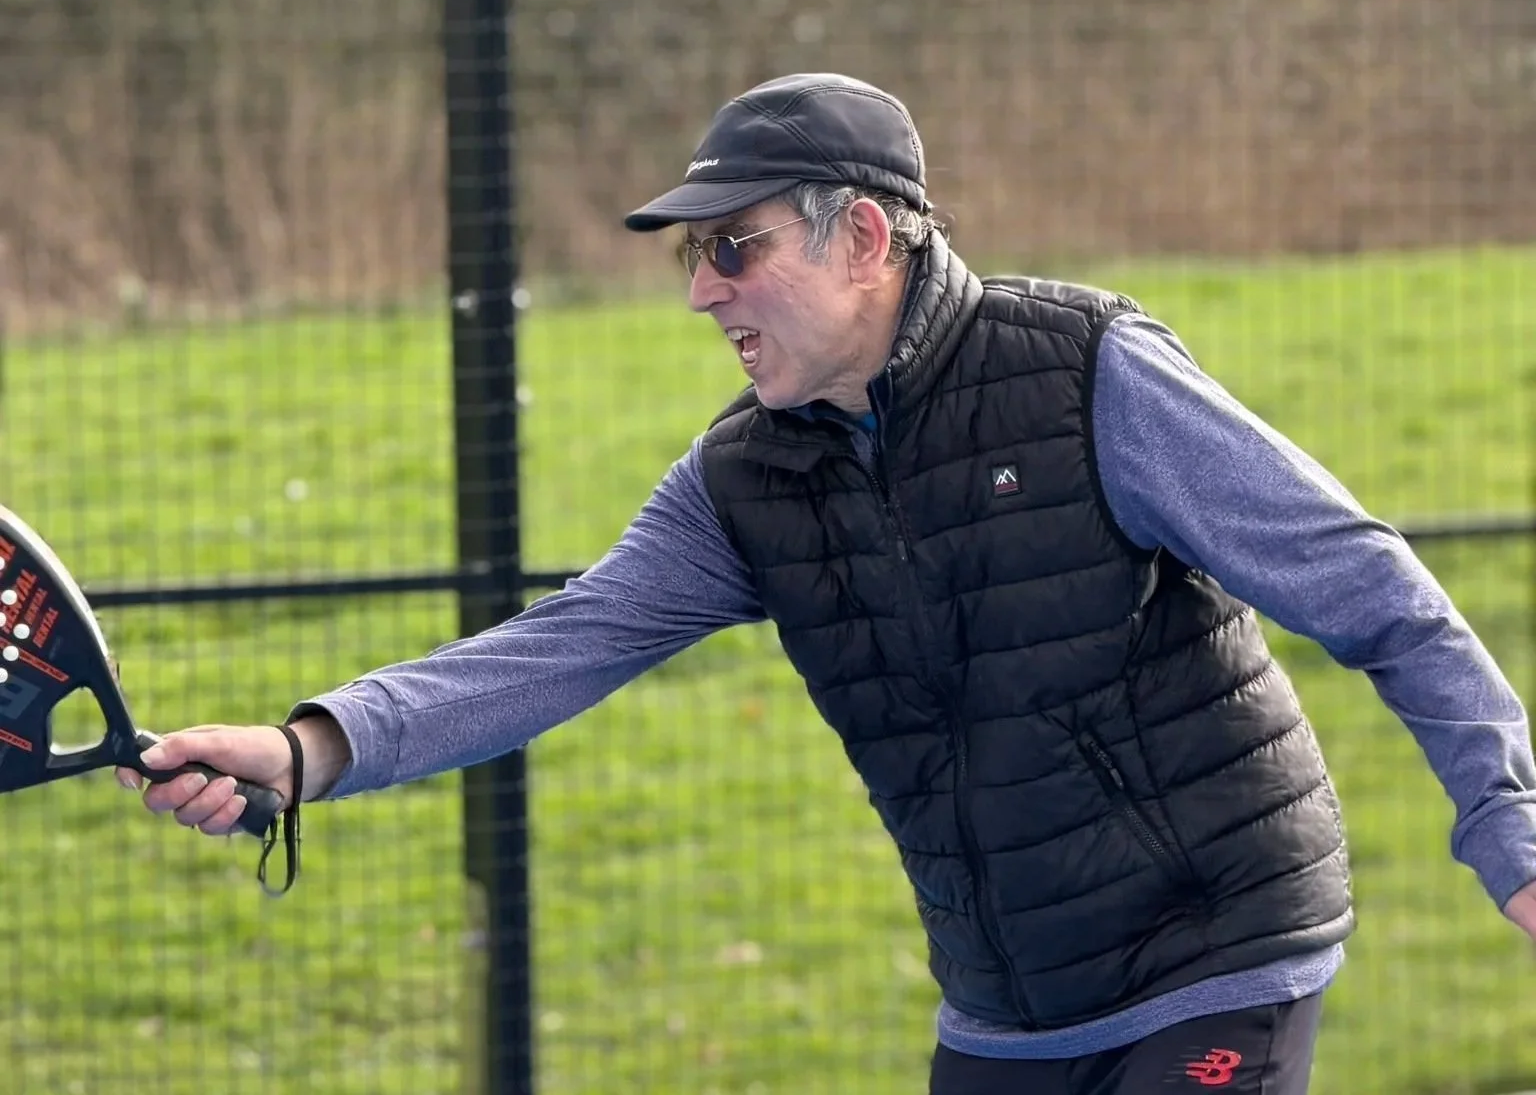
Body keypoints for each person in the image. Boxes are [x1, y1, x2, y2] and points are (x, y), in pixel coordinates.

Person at [118, 72, 1536, 1095]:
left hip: (1218, 945)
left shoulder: (1085, 374)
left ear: (864, 238)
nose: (702, 292)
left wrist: (1510, 827)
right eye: (695, 258)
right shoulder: (744, 477)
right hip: (1005, 1005)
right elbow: (563, 644)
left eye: (733, 248)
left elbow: (1370, 587)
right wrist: (310, 748)